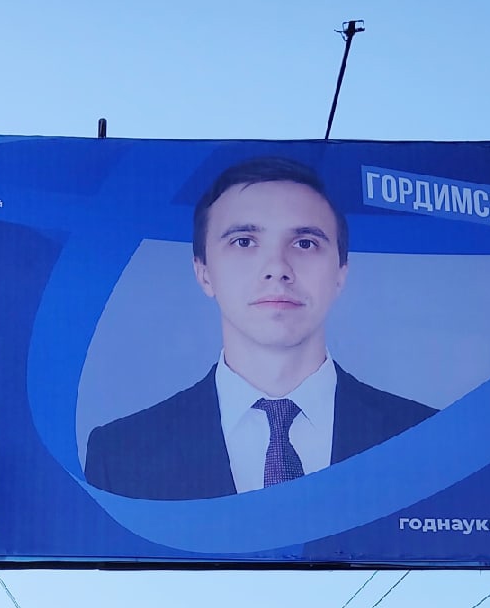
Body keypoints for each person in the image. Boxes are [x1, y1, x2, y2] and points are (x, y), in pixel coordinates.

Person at [84, 156, 435, 500]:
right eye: (244, 242)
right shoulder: (119, 455)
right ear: (203, 272)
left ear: (341, 273)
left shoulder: (426, 440)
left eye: (305, 243)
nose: (277, 268)